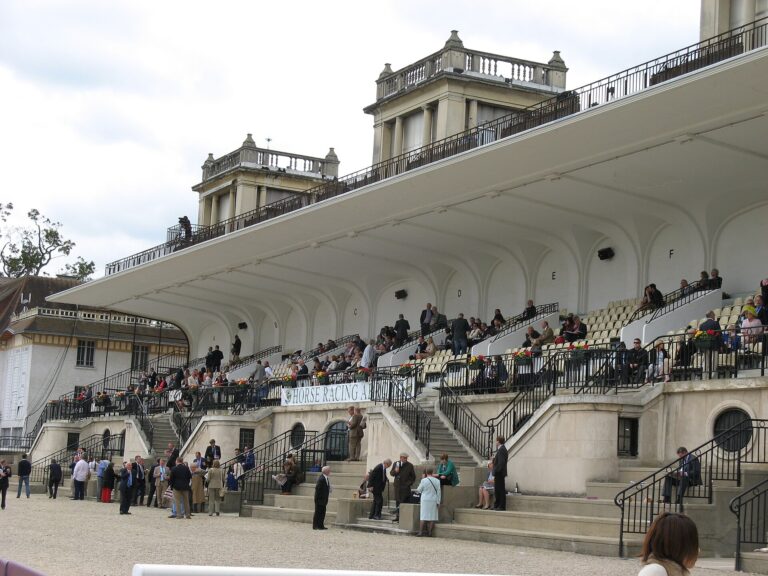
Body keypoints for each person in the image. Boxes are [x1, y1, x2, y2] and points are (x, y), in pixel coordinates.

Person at [661, 447, 701, 512]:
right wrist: (676, 474)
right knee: (668, 477)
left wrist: (685, 473)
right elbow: (680, 470)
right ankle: (667, 498)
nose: (680, 458)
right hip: (682, 478)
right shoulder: (681, 460)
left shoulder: (693, 458)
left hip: (691, 480)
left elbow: (696, 472)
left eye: (681, 456)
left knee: (684, 477)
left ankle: (679, 498)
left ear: (685, 452)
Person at [414, 467, 441, 537]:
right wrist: (438, 502)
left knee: (423, 516)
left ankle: (420, 532)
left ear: (426, 472)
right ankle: (430, 532)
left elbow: (418, 490)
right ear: (432, 472)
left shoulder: (424, 480)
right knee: (432, 516)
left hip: (425, 499)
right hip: (433, 500)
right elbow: (439, 492)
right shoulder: (437, 481)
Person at [390, 453, 416, 522]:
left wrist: (408, 484)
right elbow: (391, 473)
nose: (405, 459)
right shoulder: (396, 463)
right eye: (404, 458)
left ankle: (403, 518)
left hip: (405, 487)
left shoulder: (410, 465)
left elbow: (413, 477)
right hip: (397, 487)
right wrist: (395, 471)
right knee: (397, 502)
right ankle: (398, 516)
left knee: (404, 502)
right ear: (400, 458)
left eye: (406, 458)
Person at [313, 465, 332, 530]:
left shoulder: (326, 478)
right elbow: (318, 489)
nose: (330, 471)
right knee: (318, 512)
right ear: (326, 471)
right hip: (320, 499)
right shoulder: (321, 479)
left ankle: (321, 525)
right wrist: (317, 499)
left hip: (324, 499)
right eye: (329, 470)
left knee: (322, 513)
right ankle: (315, 526)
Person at [492, 436, 508, 511]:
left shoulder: (501, 450)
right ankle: (497, 505)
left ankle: (501, 506)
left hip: (500, 473)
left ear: (498, 441)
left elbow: (501, 463)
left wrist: (496, 470)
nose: (496, 442)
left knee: (500, 490)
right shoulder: (502, 449)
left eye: (496, 441)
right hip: (500, 473)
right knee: (497, 490)